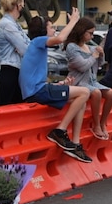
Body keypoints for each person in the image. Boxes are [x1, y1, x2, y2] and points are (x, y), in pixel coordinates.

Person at [20, 10, 92, 163]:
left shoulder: (37, 46)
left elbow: (35, 78)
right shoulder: (39, 40)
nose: (54, 30)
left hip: (39, 89)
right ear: (43, 30)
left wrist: (58, 85)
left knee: (80, 101)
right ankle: (60, 131)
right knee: (84, 92)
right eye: (51, 27)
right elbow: (60, 39)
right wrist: (73, 21)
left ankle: (76, 143)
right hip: (37, 92)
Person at [65, 17, 112, 140]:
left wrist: (101, 55)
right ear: (82, 31)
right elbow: (82, 66)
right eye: (90, 33)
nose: (92, 36)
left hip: (91, 81)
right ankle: (96, 125)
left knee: (111, 94)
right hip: (79, 82)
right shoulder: (72, 47)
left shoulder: (89, 47)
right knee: (96, 93)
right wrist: (94, 55)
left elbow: (97, 66)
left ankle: (103, 123)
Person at [0, 0, 29, 106]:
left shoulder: (14, 24)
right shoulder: (7, 25)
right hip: (9, 70)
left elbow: (26, 45)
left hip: (16, 70)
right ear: (18, 5)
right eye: (23, 3)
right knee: (4, 108)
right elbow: (25, 49)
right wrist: (21, 47)